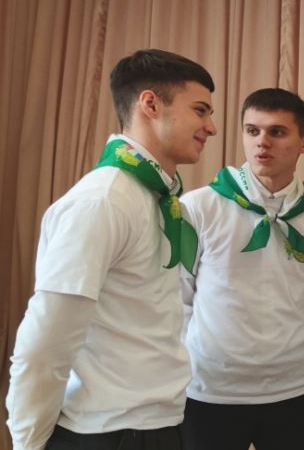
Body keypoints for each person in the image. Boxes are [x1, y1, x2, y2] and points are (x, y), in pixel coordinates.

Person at [5, 48, 217, 450]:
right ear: (150, 104)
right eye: (200, 110)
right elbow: (46, 342)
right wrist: (27, 443)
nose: (212, 127)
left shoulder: (158, 200)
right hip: (108, 432)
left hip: (159, 424)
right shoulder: (102, 202)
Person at [180, 88, 304, 450]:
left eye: (277, 132)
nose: (262, 142)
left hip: (294, 391)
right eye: (252, 131)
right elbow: (179, 299)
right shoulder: (199, 207)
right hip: (210, 393)